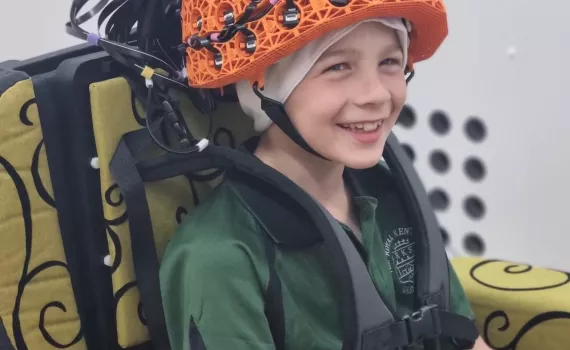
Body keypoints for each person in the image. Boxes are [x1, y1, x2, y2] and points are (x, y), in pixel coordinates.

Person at [159, 8, 492, 350]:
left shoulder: (390, 191)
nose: (376, 94)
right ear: (265, 86)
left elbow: (463, 339)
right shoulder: (221, 256)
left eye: (390, 61)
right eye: (337, 66)